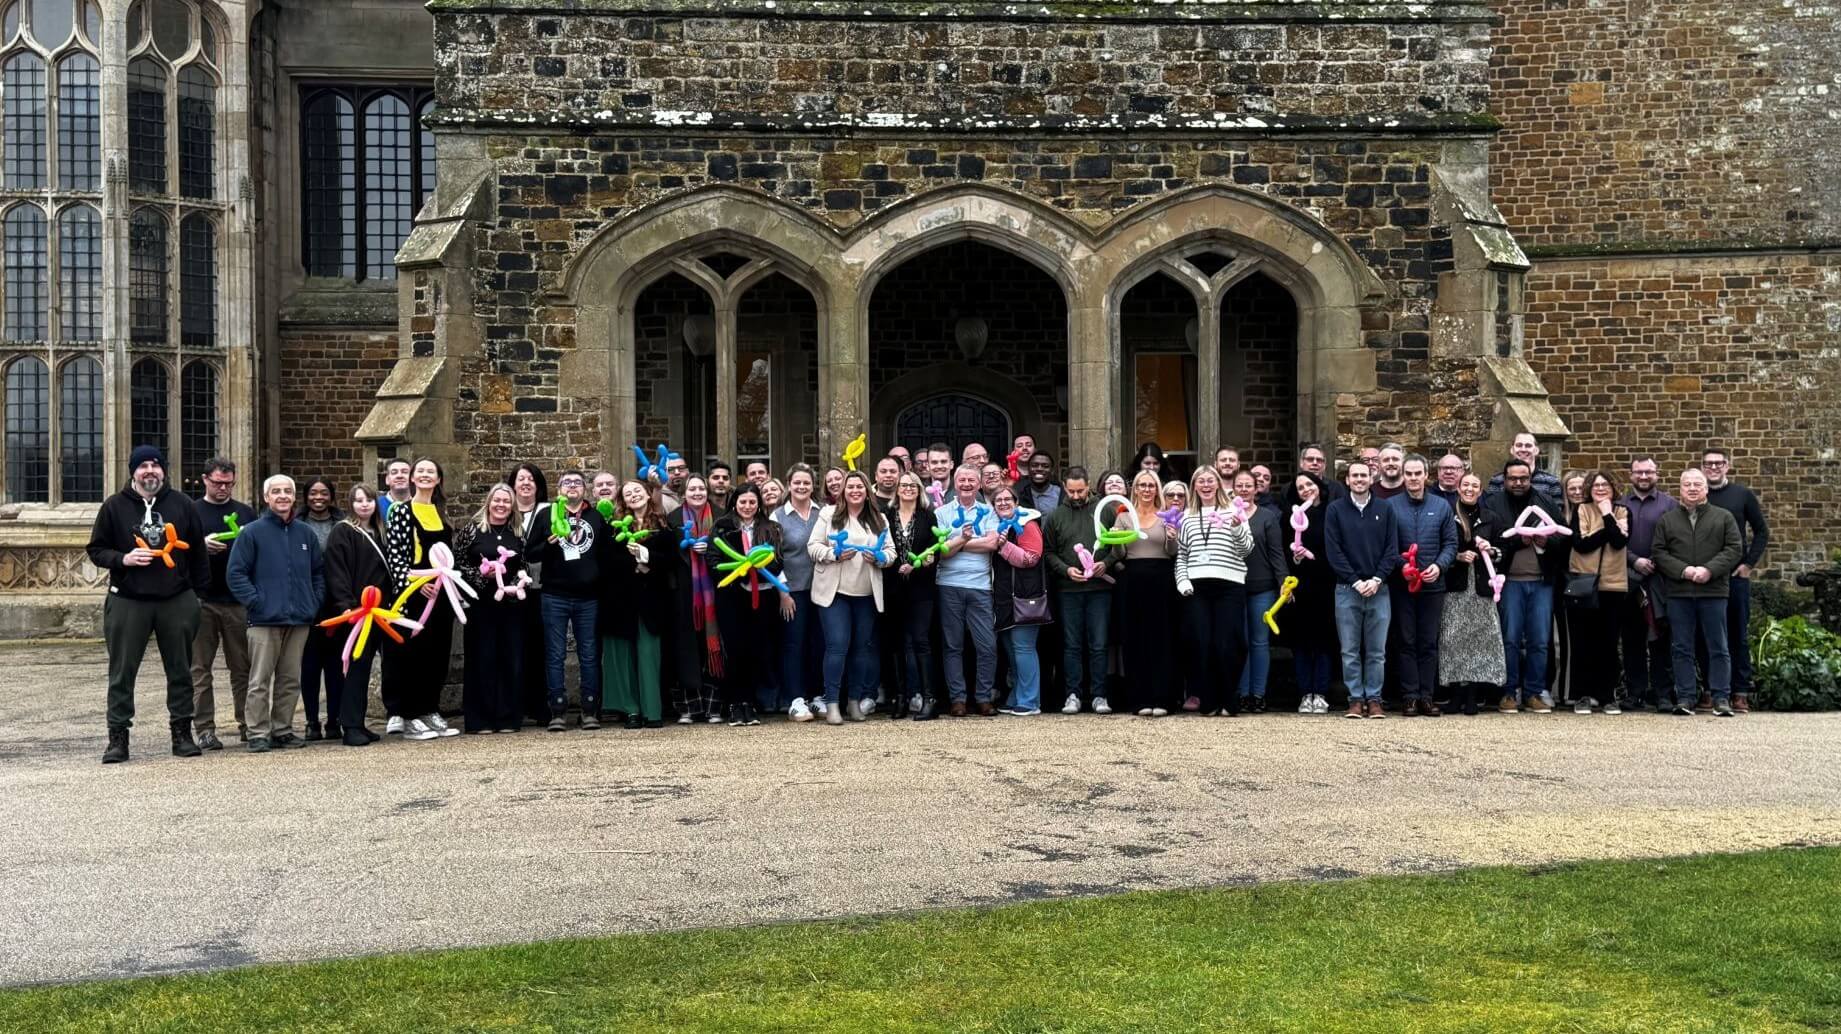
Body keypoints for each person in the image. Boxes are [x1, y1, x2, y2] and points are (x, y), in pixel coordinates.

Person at [88, 445, 210, 763]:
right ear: (133, 472)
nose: (150, 471)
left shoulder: (183, 504)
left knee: (181, 670)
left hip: (176, 599)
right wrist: (123, 558)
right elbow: (96, 549)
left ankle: (182, 734)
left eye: (156, 465)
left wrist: (197, 595)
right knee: (122, 672)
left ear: (164, 471)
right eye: (143, 466)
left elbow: (197, 551)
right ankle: (118, 739)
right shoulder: (114, 507)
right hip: (129, 600)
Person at [226, 475, 325, 752]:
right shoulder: (252, 532)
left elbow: (318, 572)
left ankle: (282, 729)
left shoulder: (305, 534)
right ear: (266, 497)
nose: (282, 496)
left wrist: (313, 602)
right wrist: (256, 602)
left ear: (294, 498)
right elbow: (236, 574)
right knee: (259, 679)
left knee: (290, 679)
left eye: (288, 491)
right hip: (264, 619)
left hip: (299, 618)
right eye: (276, 491)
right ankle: (258, 732)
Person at [381, 458, 463, 741]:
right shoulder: (400, 511)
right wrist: (416, 586)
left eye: (432, 471)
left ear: (438, 479)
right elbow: (396, 557)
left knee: (436, 655)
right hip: (414, 597)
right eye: (421, 471)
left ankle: (429, 708)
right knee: (412, 657)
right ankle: (410, 714)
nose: (426, 475)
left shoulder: (441, 514)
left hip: (441, 596)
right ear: (413, 478)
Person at [1652, 467, 1743, 717]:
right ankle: (1686, 697)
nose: (1692, 488)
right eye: (1687, 484)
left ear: (1705, 489)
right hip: (1679, 593)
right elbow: (1659, 552)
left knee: (1718, 646)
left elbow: (1734, 549)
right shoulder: (1667, 520)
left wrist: (1708, 570)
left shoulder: (1723, 517)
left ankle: (1721, 697)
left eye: (1697, 484)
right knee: (1681, 647)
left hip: (1713, 591)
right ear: (1680, 489)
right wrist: (1684, 571)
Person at [523, 469, 608, 732]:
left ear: (585, 489)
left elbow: (607, 554)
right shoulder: (546, 515)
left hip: (589, 597)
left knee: (590, 655)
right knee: (555, 654)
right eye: (566, 483)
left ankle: (590, 709)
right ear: (559, 489)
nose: (572, 487)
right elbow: (529, 553)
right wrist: (549, 544)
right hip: (554, 595)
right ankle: (557, 710)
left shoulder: (596, 516)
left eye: (578, 483)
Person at [807, 471, 894, 724]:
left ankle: (854, 702)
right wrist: (834, 554)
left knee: (861, 649)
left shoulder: (879, 520)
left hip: (866, 592)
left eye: (860, 486)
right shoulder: (829, 514)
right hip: (835, 592)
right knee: (837, 645)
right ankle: (832, 703)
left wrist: (880, 558)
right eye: (850, 487)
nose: (855, 490)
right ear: (842, 491)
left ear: (867, 491)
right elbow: (812, 547)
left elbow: (891, 552)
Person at [1482, 458, 1566, 714]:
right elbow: (1491, 541)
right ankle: (1508, 692)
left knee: (1540, 641)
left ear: (1530, 478)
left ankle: (1533, 692)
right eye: (1513, 479)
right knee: (1509, 638)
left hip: (1541, 582)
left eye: (1523, 478)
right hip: (1509, 583)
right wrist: (1519, 542)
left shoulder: (1545, 501)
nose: (1518, 483)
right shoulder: (1494, 504)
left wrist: (1543, 542)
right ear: (1504, 479)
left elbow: (1563, 540)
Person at [1175, 465, 1253, 716]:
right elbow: (1182, 555)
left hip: (1230, 585)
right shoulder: (1186, 516)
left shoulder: (1234, 511)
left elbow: (1246, 549)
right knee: (1201, 642)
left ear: (1218, 483)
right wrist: (1182, 581)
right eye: (1201, 481)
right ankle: (1207, 700)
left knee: (1228, 643)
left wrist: (1237, 526)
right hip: (1197, 586)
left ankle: (1228, 699)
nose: (1206, 485)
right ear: (1194, 486)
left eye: (1210, 480)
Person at [190, 457, 256, 750]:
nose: (223, 488)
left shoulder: (245, 513)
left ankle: (247, 724)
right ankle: (204, 728)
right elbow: (176, 551)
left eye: (229, 483)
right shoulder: (190, 512)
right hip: (201, 600)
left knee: (242, 667)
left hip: (237, 601)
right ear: (205, 479)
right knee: (200, 669)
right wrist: (199, 546)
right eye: (218, 483)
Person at [456, 482, 530, 735]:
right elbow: (459, 563)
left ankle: (508, 717)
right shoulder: (472, 530)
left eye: (506, 501)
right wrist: (480, 574)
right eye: (497, 500)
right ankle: (480, 719)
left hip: (510, 605)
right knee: (482, 658)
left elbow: (525, 564)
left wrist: (517, 580)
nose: (501, 505)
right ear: (488, 502)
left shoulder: (518, 532)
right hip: (480, 604)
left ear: (512, 506)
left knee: (511, 658)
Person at [1326, 461, 1398, 719]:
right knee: (1349, 649)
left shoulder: (1385, 508)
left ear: (1371, 478)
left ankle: (1375, 698)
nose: (1358, 479)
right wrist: (1356, 581)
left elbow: (1392, 549)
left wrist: (1377, 579)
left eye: (1363, 475)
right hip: (1347, 588)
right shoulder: (1335, 510)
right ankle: (1356, 698)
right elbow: (1334, 551)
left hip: (1379, 589)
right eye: (1354, 475)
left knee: (1377, 651)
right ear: (1347, 480)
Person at [1387, 455, 1457, 717]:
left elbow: (1451, 544)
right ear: (1403, 476)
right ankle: (1409, 697)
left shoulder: (1441, 507)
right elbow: (1387, 545)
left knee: (1428, 642)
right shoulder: (1390, 506)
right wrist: (1399, 565)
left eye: (1418, 473)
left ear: (1426, 475)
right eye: (1409, 473)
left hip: (1432, 586)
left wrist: (1439, 566)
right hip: (1402, 585)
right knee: (1405, 641)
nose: (1413, 478)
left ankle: (1427, 696)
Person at [320, 484, 390, 745]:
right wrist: (346, 605)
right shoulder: (343, 532)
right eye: (358, 500)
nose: (364, 504)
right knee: (353, 668)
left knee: (364, 666)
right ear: (350, 504)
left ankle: (359, 722)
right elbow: (337, 572)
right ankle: (349, 726)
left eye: (369, 500)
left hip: (377, 612)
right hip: (354, 612)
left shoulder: (381, 532)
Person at [713, 484, 788, 726]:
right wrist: (740, 571)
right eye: (743, 502)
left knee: (757, 648)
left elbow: (778, 560)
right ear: (735, 502)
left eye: (752, 503)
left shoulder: (771, 528)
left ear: (759, 505)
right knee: (735, 649)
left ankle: (750, 702)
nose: (747, 507)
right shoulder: (722, 527)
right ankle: (735, 702)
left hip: (762, 596)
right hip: (732, 594)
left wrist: (759, 566)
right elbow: (713, 559)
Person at [1703, 448, 1769, 713]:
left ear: (1727, 466)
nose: (1713, 468)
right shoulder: (1696, 495)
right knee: (1705, 635)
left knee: (1737, 634)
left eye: (1718, 463)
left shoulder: (1741, 495)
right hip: (1704, 577)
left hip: (1734, 578)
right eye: (1708, 464)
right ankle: (1709, 689)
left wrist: (1748, 564)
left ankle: (1740, 691)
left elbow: (1761, 531)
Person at [1110, 470, 1179, 716]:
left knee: (1162, 638)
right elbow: (1118, 555)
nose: (1147, 489)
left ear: (1157, 489)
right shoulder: (1124, 517)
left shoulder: (1166, 515)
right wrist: (1117, 541)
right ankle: (1139, 699)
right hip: (1132, 579)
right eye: (1142, 485)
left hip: (1161, 580)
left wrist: (1173, 537)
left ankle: (1162, 698)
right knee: (1134, 638)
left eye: (1151, 485)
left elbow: (1172, 551)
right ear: (1135, 489)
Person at [935, 464, 1002, 716]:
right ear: (955, 483)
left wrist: (958, 542)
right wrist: (968, 540)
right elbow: (942, 551)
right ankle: (958, 699)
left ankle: (983, 697)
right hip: (949, 584)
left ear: (979, 484)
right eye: (961, 480)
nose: (966, 484)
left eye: (971, 480)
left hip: (980, 586)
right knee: (953, 645)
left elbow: (993, 542)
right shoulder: (941, 512)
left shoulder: (988, 510)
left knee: (987, 646)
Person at [603, 479, 670, 729]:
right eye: (628, 493)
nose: (633, 496)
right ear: (623, 499)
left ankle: (652, 711)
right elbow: (607, 559)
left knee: (648, 653)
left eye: (637, 491)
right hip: (622, 598)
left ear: (647, 494)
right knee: (623, 656)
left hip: (651, 598)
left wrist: (647, 559)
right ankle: (630, 709)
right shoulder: (614, 527)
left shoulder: (662, 525)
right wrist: (633, 565)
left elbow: (670, 559)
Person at [1044, 467, 1111, 716]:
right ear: (1063, 487)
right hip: (1068, 589)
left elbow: (1121, 544)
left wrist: (1108, 563)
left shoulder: (1105, 510)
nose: (1075, 495)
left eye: (1080, 490)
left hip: (1100, 588)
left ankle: (1099, 695)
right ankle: (1073, 694)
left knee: (1099, 644)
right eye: (1070, 491)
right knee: (1071, 645)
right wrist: (1065, 570)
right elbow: (1048, 552)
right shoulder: (1055, 516)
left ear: (1089, 485)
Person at [1439, 473, 1507, 715]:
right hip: (1455, 586)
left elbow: (1504, 550)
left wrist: (1492, 550)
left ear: (1481, 490)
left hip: (1481, 587)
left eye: (1475, 486)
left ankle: (1472, 696)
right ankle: (1455, 693)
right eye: (1465, 485)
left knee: (1479, 641)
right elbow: (1439, 545)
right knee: (1454, 640)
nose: (1469, 489)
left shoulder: (1491, 517)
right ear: (1458, 488)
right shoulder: (1447, 514)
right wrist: (1457, 556)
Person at [1566, 471, 1630, 715]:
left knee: (1608, 642)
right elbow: (1581, 544)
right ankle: (1582, 694)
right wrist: (1609, 525)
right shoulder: (1581, 511)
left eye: (1605, 485)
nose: (1601, 489)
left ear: (1613, 488)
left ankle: (1607, 695)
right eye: (1596, 485)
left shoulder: (1623, 511)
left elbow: (1619, 543)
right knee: (1583, 641)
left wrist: (1606, 513)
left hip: (1613, 585)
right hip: (1584, 582)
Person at [665, 475, 724, 724]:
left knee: (713, 646)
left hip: (715, 590)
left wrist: (709, 547)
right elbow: (668, 552)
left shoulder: (721, 516)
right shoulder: (674, 518)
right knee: (686, 649)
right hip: (684, 591)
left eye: (701, 488)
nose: (697, 492)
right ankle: (689, 707)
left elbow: (729, 548)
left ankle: (714, 707)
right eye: (692, 489)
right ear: (685, 493)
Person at [1620, 457, 1677, 712]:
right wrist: (1635, 561)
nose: (1644, 476)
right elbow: (1614, 542)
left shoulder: (1670, 504)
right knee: (1632, 639)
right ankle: (1635, 692)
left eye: (1649, 472)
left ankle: (1662, 693)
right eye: (1639, 472)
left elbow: (1676, 539)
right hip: (1629, 579)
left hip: (1659, 580)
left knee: (1660, 638)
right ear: (1631, 475)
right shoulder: (1619, 504)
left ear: (1657, 474)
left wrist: (1654, 561)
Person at [987, 485, 1047, 716]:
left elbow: (1030, 558)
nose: (1002, 503)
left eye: (1007, 499)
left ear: (1016, 502)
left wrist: (1003, 545)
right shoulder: (995, 526)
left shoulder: (1027, 524)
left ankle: (1031, 701)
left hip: (1025, 597)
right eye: (997, 500)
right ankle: (1016, 696)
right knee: (1011, 650)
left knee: (1023, 649)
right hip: (1004, 599)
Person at [886, 470, 940, 720]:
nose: (908, 489)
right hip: (893, 587)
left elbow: (935, 548)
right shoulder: (886, 516)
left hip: (921, 588)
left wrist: (927, 560)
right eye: (903, 485)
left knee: (921, 641)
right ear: (896, 490)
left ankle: (929, 698)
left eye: (913, 485)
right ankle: (900, 697)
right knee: (896, 643)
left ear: (919, 491)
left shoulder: (928, 516)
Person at [771, 465, 824, 720]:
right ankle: (796, 699)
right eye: (797, 482)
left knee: (820, 644)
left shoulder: (823, 513)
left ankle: (816, 696)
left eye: (807, 483)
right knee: (794, 645)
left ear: (813, 485)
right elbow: (774, 558)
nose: (802, 487)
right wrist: (783, 593)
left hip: (823, 590)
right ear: (788, 484)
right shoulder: (777, 517)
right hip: (793, 592)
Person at [1283, 472, 1337, 714]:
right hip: (1300, 584)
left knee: (1324, 641)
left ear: (1318, 486)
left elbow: (1337, 546)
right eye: (1300, 487)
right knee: (1302, 642)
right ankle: (1306, 693)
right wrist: (1293, 556)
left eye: (1309, 484)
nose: (1305, 489)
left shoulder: (1331, 513)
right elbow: (1284, 548)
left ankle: (1322, 692)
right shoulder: (1292, 516)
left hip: (1326, 582)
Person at [1233, 470, 1286, 713]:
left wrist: (1283, 580)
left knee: (1259, 642)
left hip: (1263, 587)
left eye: (1248, 486)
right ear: (1233, 489)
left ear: (1257, 489)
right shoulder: (1226, 516)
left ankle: (1258, 694)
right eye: (1239, 485)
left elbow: (1277, 553)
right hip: (1234, 587)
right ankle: (1242, 694)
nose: (1244, 489)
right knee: (1240, 642)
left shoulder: (1267, 517)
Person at [297, 477, 345, 741]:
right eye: (313, 493)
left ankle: (334, 720)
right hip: (308, 604)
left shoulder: (342, 524)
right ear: (306, 497)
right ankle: (311, 721)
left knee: (336, 665)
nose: (318, 497)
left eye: (324, 492)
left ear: (331, 496)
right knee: (310, 665)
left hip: (336, 603)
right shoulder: (296, 524)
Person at [508, 461, 551, 725]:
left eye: (531, 479)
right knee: (514, 648)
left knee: (538, 648)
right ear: (512, 484)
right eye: (520, 479)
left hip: (538, 589)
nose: (525, 483)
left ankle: (539, 704)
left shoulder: (547, 512)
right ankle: (515, 704)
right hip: (509, 591)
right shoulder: (503, 511)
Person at [1487, 431, 1562, 499]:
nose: (1523, 449)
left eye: (1528, 446)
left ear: (1536, 450)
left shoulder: (1551, 482)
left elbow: (1555, 512)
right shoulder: (1497, 481)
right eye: (1519, 445)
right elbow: (1492, 510)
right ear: (1512, 450)